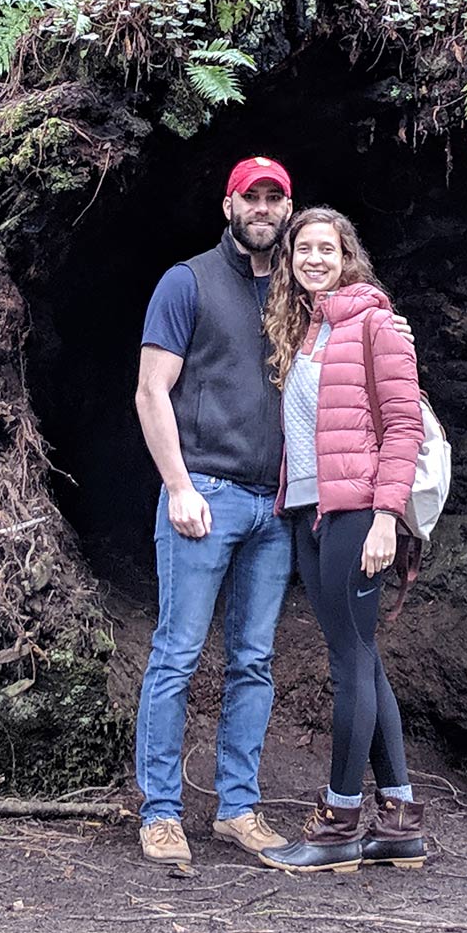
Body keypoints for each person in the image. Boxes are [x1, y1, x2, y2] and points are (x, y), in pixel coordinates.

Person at [133, 156, 296, 866]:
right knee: (176, 656)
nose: (262, 207)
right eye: (249, 196)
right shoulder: (186, 282)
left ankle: (238, 808)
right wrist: (178, 486)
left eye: (274, 197)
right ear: (228, 205)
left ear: (288, 209)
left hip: (277, 507)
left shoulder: (299, 293)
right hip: (207, 495)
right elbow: (150, 391)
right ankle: (161, 812)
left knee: (254, 661)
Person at [257, 207, 427, 874]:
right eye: (304, 250)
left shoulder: (375, 325)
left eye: (327, 249)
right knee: (361, 655)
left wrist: (386, 517)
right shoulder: (303, 329)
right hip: (308, 512)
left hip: (357, 514)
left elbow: (404, 429)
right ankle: (401, 820)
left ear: (347, 255)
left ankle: (338, 824)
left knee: (349, 660)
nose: (315, 259)